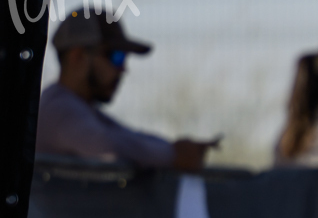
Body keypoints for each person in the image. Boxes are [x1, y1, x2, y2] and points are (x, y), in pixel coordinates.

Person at [36, 9, 214, 169]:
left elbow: (125, 135)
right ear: (77, 56)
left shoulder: (76, 108)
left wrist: (174, 149)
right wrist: (173, 155)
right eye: (116, 56)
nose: (123, 69)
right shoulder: (58, 109)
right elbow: (107, 147)